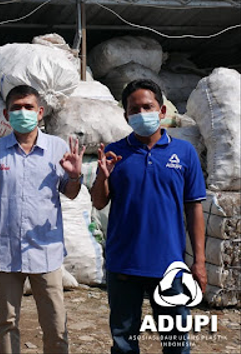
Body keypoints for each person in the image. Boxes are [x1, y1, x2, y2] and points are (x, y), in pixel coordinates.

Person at [90, 79, 207, 354]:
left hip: (169, 266)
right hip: (124, 264)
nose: (142, 114)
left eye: (148, 106)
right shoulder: (114, 153)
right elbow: (99, 201)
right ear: (126, 116)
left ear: (162, 110)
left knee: (176, 343)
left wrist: (199, 262)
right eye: (135, 109)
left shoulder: (184, 153)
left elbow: (194, 208)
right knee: (124, 341)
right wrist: (103, 178)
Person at [0, 85, 84, 354]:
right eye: (16, 108)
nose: (22, 112)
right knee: (6, 322)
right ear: (6, 113)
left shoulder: (57, 148)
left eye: (28, 107)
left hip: (45, 251)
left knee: (55, 324)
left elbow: (70, 194)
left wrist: (74, 176)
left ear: (40, 112)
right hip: (4, 251)